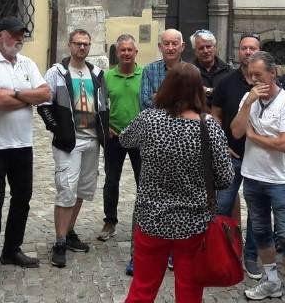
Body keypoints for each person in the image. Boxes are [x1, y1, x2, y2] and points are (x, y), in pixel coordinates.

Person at [120, 62, 233, 303]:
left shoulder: (149, 119)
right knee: (189, 291)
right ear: (198, 90)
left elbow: (125, 140)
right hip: (193, 222)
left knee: (142, 289)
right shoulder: (208, 127)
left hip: (151, 218)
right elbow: (226, 178)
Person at [0, 17, 51, 282]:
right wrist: (26, 96)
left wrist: (13, 93)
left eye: (22, 35)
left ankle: (11, 249)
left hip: (22, 143)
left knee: (22, 198)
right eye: (15, 34)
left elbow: (45, 94)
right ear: (0, 35)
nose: (19, 39)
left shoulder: (27, 63)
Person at [231, 51, 285, 303]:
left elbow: (284, 144)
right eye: (250, 75)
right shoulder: (248, 98)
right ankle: (271, 281)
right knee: (261, 231)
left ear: (272, 73)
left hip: (280, 179)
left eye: (258, 75)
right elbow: (236, 132)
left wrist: (254, 136)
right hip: (252, 175)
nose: (253, 80)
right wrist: (247, 104)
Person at [39, 29, 110, 268]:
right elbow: (44, 105)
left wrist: (104, 132)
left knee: (82, 189)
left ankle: (69, 232)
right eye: (78, 43)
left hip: (92, 141)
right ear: (69, 45)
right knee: (66, 189)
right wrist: (57, 129)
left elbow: (103, 105)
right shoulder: (57, 72)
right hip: (69, 143)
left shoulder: (97, 73)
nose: (82, 47)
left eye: (86, 44)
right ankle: (59, 242)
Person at [211, 34, 262, 278]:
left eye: (252, 48)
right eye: (244, 48)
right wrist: (221, 143)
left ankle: (250, 256)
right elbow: (215, 115)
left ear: (259, 51)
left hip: (259, 157)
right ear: (238, 51)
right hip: (230, 155)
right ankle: (221, 254)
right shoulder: (225, 82)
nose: (248, 52)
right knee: (222, 206)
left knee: (256, 211)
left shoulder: (268, 83)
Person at [99, 35, 143, 270]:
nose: (126, 53)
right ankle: (110, 221)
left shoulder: (145, 74)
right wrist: (106, 127)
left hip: (140, 137)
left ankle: (143, 222)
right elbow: (100, 106)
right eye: (122, 50)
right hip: (114, 136)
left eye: (129, 50)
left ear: (136, 52)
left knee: (143, 182)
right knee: (111, 181)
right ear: (116, 53)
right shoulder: (107, 77)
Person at [140, 29, 186, 110]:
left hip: (184, 118)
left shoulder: (191, 71)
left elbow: (193, 102)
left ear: (182, 47)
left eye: (174, 44)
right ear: (160, 47)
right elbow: (145, 102)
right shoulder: (149, 70)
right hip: (156, 118)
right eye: (166, 44)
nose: (170, 48)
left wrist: (159, 96)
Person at [190, 29, 231, 100]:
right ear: (195, 51)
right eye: (201, 48)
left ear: (215, 48)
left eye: (208, 47)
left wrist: (207, 91)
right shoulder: (188, 73)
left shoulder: (228, 72)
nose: (205, 51)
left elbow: (230, 94)